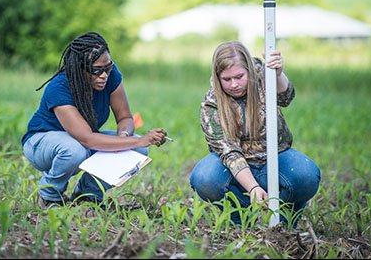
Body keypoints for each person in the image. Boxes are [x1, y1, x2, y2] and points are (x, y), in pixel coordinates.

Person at [22, 31, 168, 209]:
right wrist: (137, 140)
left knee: (138, 150)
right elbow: (87, 139)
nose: (104, 75)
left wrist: (124, 137)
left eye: (108, 67)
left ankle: (87, 197)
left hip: (80, 143)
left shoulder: (111, 76)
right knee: (75, 150)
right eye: (97, 70)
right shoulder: (60, 87)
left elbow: (125, 117)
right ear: (79, 68)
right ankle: (49, 197)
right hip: (42, 145)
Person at [189, 40, 320, 226]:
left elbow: (286, 98)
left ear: (249, 70)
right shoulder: (211, 104)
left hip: (275, 157)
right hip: (234, 165)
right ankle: (241, 217)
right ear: (217, 77)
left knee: (306, 175)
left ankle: (284, 221)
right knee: (204, 178)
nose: (234, 84)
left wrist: (278, 74)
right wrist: (253, 188)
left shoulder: (263, 75)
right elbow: (228, 152)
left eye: (239, 76)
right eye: (226, 79)